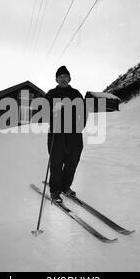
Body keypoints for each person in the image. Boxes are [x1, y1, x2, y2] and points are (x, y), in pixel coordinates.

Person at [45, 66, 87, 203]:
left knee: (72, 162)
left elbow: (83, 111)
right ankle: (55, 191)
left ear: (70, 79)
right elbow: (42, 112)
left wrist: (80, 127)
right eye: (60, 76)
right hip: (57, 134)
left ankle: (66, 187)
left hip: (74, 135)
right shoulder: (51, 94)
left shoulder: (76, 93)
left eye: (65, 76)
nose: (63, 79)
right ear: (56, 79)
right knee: (56, 163)